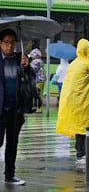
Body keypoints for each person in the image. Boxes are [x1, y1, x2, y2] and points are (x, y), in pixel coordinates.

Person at [56, 39, 89, 165]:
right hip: (85, 101)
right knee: (88, 128)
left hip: (74, 101)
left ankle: (79, 153)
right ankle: (83, 154)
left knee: (79, 128)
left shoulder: (74, 63)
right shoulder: (88, 64)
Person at [0, 28, 31, 185]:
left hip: (15, 111)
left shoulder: (21, 59)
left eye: (13, 43)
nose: (10, 46)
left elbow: (31, 80)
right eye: (6, 42)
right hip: (0, 110)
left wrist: (27, 67)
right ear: (0, 43)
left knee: (12, 145)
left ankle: (10, 175)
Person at [29, 48, 45, 113]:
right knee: (40, 94)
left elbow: (32, 70)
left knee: (37, 94)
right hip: (42, 80)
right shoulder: (41, 61)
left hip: (38, 80)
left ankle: (37, 108)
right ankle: (40, 108)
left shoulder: (36, 61)